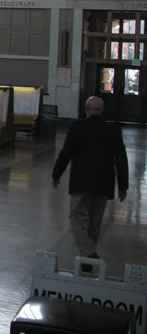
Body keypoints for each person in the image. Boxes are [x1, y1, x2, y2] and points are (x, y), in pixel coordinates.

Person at [51, 96, 128, 266]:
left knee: (77, 216)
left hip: (82, 181)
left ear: (86, 109)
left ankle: (88, 252)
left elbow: (66, 152)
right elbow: (121, 159)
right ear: (102, 111)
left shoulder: (78, 127)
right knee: (95, 221)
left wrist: (57, 173)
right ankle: (87, 260)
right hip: (104, 183)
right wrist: (123, 186)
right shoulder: (113, 130)